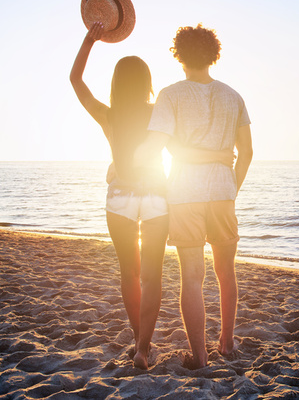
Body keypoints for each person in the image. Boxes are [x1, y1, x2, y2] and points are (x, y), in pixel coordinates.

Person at [70, 23, 233, 370]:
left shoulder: (109, 115)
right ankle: (144, 347)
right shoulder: (157, 112)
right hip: (158, 198)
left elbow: (76, 82)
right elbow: (183, 151)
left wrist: (89, 41)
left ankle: (139, 342)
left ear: (116, 84)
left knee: (128, 274)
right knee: (152, 276)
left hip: (120, 199)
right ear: (147, 84)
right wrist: (219, 158)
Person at [134, 24, 253, 369]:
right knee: (226, 272)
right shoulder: (233, 96)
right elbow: (246, 153)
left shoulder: (170, 95)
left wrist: (128, 162)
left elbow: (155, 145)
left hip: (184, 194)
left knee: (192, 277)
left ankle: (200, 356)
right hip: (222, 193)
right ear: (213, 54)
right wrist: (231, 186)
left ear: (179, 55)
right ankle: (227, 345)